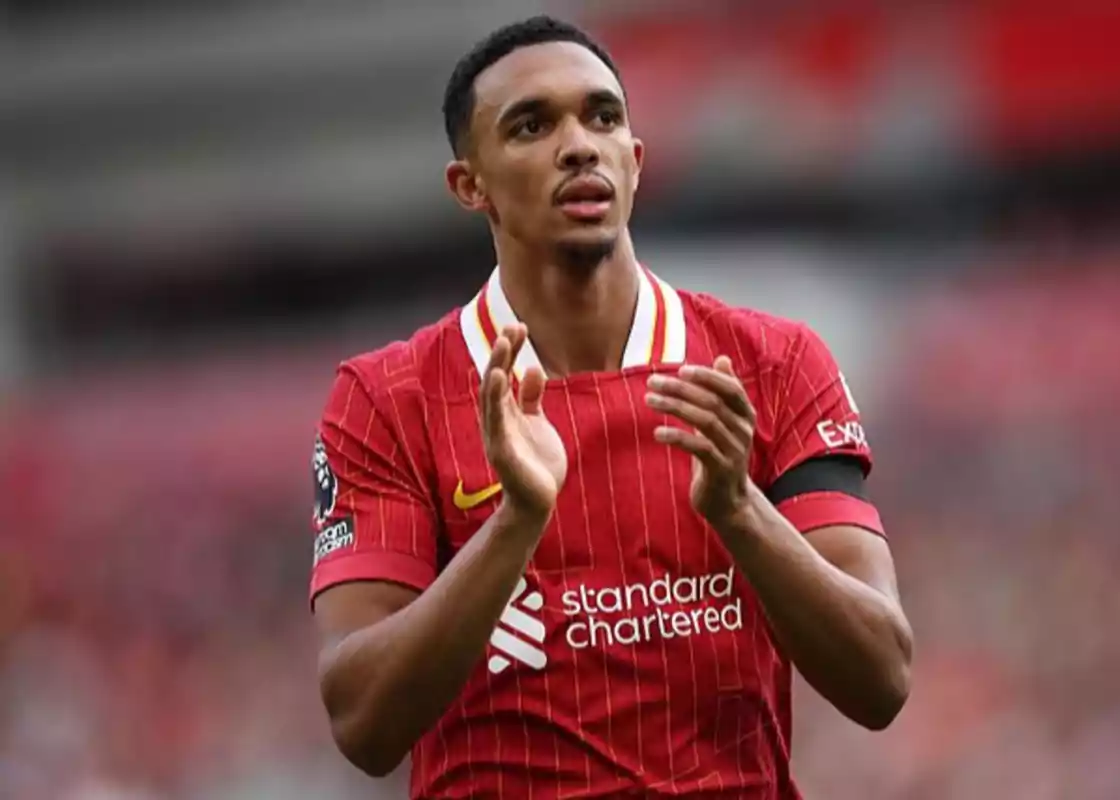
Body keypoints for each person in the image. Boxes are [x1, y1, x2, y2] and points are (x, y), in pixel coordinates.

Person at [309, 15, 913, 799]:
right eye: (531, 125)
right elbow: (363, 723)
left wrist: (739, 511)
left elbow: (882, 679)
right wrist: (515, 526)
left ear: (634, 159)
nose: (577, 145)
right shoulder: (388, 398)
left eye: (602, 117)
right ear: (471, 186)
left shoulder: (773, 362)